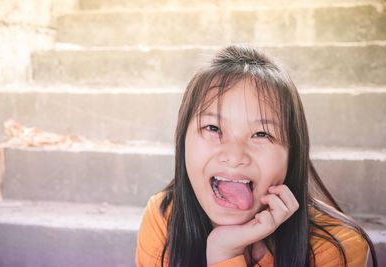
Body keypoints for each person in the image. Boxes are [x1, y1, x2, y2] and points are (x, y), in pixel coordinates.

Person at [136, 45, 377, 267]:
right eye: (212, 128)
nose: (234, 155)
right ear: (182, 141)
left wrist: (225, 253)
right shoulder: (164, 218)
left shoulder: (338, 246)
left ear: (292, 153)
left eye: (261, 134)